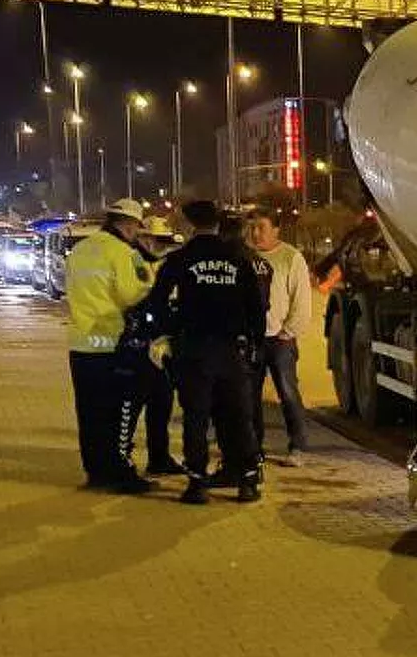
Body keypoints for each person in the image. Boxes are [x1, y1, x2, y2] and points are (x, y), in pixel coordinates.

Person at [150, 200, 265, 506]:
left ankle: (197, 484)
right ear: (218, 225)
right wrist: (254, 343)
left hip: (194, 349)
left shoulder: (181, 258)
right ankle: (248, 481)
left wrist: (172, 329)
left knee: (196, 417)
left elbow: (157, 300)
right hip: (231, 350)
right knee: (239, 416)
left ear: (189, 226)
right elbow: (257, 305)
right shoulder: (239, 259)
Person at [65, 198, 157, 493]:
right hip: (111, 344)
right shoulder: (123, 253)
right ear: (130, 225)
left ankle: (95, 473)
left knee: (89, 414)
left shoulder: (79, 250)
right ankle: (119, 474)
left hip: (81, 344)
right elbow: (133, 295)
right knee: (117, 413)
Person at [244, 207, 313, 466]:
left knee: (288, 392)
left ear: (276, 229)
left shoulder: (290, 257)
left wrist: (289, 331)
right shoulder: (245, 257)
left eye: (261, 226)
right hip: (252, 338)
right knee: (250, 395)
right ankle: (253, 447)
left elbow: (301, 300)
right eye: (251, 227)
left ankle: (299, 446)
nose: (255, 232)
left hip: (280, 339)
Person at [132, 215, 184, 475]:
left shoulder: (167, 263)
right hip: (137, 341)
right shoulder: (132, 259)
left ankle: (159, 457)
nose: (159, 246)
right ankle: (124, 459)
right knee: (131, 406)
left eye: (163, 241)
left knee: (161, 403)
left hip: (162, 342)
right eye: (155, 240)